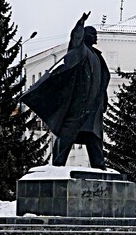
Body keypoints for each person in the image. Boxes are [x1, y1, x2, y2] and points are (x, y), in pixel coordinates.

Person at [23, 12, 110, 169]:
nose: (96, 36)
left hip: (93, 107)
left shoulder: (98, 57)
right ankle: (57, 166)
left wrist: (103, 100)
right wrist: (80, 24)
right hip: (78, 104)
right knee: (67, 134)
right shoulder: (80, 50)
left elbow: (103, 81)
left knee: (94, 137)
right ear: (84, 35)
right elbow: (75, 39)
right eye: (92, 34)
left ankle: (100, 166)